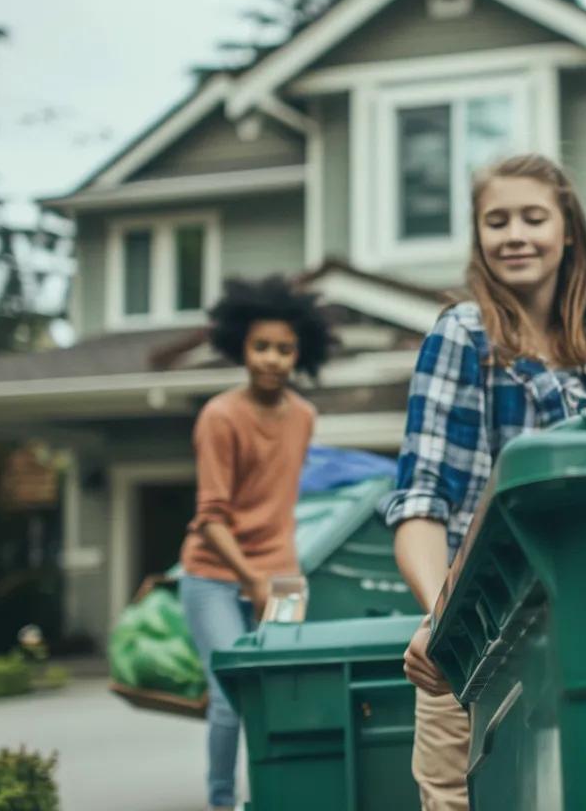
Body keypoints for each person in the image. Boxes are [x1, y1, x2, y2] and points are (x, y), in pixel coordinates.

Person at [381, 154, 586, 811]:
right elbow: (422, 496)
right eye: (496, 221)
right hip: (483, 630)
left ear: (567, 230)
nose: (515, 235)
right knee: (460, 798)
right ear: (479, 237)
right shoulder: (461, 334)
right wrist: (446, 622)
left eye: (534, 217)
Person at [179, 275, 332, 811]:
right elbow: (210, 518)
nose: (272, 359)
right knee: (229, 700)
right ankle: (222, 801)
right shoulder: (221, 416)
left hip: (282, 572)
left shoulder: (306, 417)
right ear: (240, 348)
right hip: (214, 575)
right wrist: (253, 582)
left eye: (284, 349)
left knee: (283, 693)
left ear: (300, 353)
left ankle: (277, 796)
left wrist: (278, 580)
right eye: (261, 347)